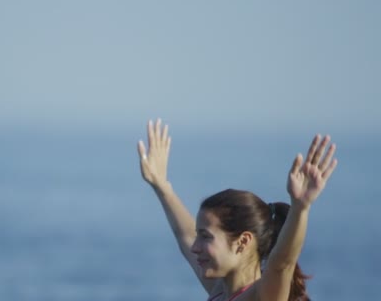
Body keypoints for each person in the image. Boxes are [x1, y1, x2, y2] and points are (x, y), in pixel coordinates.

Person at [137, 119, 337, 301]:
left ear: (242, 242)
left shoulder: (262, 296)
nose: (195, 247)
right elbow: (185, 235)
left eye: (206, 237)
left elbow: (282, 264)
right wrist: (162, 186)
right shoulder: (220, 292)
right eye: (199, 235)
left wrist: (300, 208)